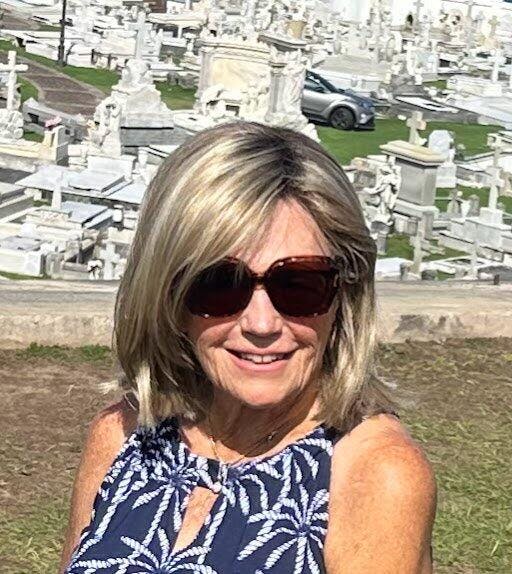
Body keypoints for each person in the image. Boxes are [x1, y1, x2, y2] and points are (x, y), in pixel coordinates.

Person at [60, 122, 436, 573]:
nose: (262, 324)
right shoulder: (122, 434)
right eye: (220, 284)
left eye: (300, 285)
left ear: (346, 290)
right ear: (167, 294)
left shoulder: (377, 475)